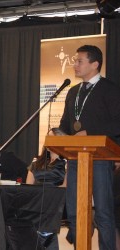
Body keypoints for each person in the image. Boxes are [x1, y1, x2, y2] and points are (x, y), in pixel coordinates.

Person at [59, 45, 120, 250]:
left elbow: (117, 123)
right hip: (76, 159)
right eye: (75, 61)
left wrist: (90, 131)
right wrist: (58, 134)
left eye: (79, 61)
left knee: (103, 212)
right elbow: (66, 125)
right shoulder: (73, 91)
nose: (74, 65)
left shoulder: (110, 89)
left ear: (94, 64)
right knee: (76, 212)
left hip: (100, 159)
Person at [26, 133, 67, 250]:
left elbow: (65, 187)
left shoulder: (66, 163)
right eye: (48, 138)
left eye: (54, 138)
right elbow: (28, 187)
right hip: (37, 202)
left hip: (56, 201)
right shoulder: (36, 162)